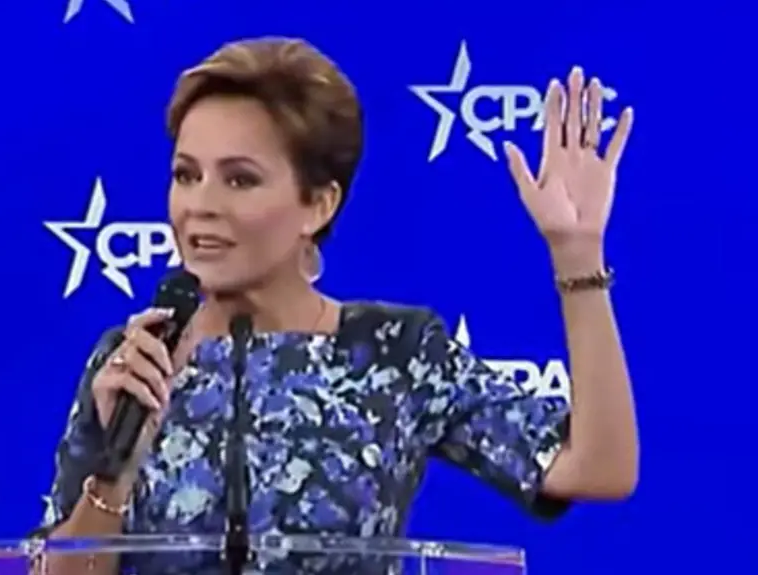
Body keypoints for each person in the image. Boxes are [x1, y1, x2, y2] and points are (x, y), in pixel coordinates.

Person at [32, 37, 639, 575]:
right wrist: (116, 472)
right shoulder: (138, 358)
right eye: (186, 175)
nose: (200, 206)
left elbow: (597, 467)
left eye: (239, 179)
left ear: (318, 204)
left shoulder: (392, 353)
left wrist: (576, 251)